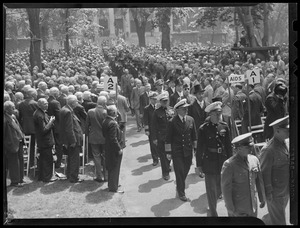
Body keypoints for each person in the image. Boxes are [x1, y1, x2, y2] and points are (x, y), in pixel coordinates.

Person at [196, 101, 232, 217]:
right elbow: (199, 149)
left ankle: (213, 206)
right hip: (209, 162)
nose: (218, 116)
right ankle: (213, 213)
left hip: (222, 161)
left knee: (221, 188)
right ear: (210, 115)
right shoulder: (203, 129)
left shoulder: (224, 126)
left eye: (219, 114)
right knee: (211, 190)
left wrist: (231, 161)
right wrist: (199, 165)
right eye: (216, 114)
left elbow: (228, 146)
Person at [221, 133, 266, 217]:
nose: (251, 149)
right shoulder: (229, 165)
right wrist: (230, 208)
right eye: (247, 147)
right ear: (239, 148)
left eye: (251, 146)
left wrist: (262, 198)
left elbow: (259, 181)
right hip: (238, 209)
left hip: (252, 206)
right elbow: (226, 188)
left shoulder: (254, 160)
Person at [259, 115, 290, 225]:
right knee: (280, 221)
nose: (288, 131)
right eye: (286, 130)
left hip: (285, 190)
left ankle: (267, 221)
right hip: (275, 194)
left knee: (276, 216)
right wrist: (268, 194)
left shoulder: (284, 143)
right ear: (277, 131)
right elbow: (264, 173)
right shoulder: (268, 150)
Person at [165, 99, 197, 201]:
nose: (186, 110)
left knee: (185, 170)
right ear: (178, 110)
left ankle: (179, 185)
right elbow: (168, 138)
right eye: (183, 109)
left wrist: (195, 149)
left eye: (186, 108)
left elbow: (194, 136)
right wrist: (168, 152)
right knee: (179, 172)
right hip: (177, 151)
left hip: (188, 150)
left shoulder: (191, 120)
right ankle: (181, 192)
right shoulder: (172, 122)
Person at [59, 95, 84, 183]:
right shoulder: (68, 111)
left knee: (71, 158)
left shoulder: (65, 109)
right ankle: (74, 177)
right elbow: (69, 128)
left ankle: (70, 175)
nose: (78, 102)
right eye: (77, 101)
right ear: (73, 103)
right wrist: (73, 140)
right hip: (72, 139)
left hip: (68, 138)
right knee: (74, 159)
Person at [33, 98, 57, 182]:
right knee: (47, 160)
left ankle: (42, 177)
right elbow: (44, 129)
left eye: (47, 103)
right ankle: (47, 177)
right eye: (44, 104)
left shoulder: (42, 112)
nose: (47, 105)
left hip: (44, 140)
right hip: (45, 141)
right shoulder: (39, 114)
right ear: (39, 105)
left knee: (43, 159)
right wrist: (51, 122)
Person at [102, 105, 124, 193]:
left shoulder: (106, 121)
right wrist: (118, 148)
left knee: (111, 167)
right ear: (114, 113)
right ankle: (113, 187)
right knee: (115, 167)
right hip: (113, 149)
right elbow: (113, 138)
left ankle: (113, 183)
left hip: (108, 147)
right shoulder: (112, 123)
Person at [151, 92, 174, 180]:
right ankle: (165, 172)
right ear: (160, 102)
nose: (165, 102)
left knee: (170, 154)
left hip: (171, 138)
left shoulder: (172, 110)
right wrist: (154, 138)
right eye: (163, 101)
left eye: (166, 101)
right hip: (162, 138)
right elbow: (153, 126)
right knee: (163, 156)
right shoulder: (156, 112)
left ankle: (167, 166)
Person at [86, 96, 108, 183]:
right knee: (105, 156)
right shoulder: (106, 112)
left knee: (96, 156)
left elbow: (87, 125)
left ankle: (99, 175)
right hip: (104, 137)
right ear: (104, 103)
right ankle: (106, 176)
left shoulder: (90, 111)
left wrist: (88, 135)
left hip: (93, 137)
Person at [4, 101, 25, 187]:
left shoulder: (13, 116)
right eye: (12, 108)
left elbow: (18, 128)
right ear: (6, 109)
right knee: (13, 163)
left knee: (20, 161)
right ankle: (15, 181)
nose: (14, 109)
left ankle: (20, 179)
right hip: (11, 144)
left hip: (18, 142)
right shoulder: (5, 119)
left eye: (14, 107)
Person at [17, 88, 38, 169]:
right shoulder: (35, 104)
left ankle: (28, 162)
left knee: (27, 147)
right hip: (34, 128)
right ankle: (32, 163)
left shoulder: (21, 104)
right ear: (33, 95)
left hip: (24, 128)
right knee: (33, 146)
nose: (36, 96)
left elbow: (19, 117)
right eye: (35, 94)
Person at [143, 91, 159, 166]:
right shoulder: (147, 109)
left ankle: (160, 156)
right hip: (152, 130)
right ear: (150, 99)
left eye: (156, 99)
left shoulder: (159, 107)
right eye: (153, 99)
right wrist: (147, 130)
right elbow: (145, 120)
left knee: (160, 144)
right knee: (153, 145)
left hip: (159, 129)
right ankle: (155, 159)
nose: (155, 101)